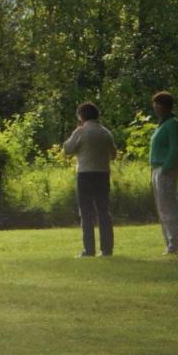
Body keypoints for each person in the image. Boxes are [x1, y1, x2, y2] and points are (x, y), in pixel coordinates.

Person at [62, 101, 117, 257]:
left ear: (81, 116)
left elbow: (67, 149)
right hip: (103, 173)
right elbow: (113, 154)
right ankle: (107, 249)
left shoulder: (80, 131)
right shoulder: (105, 132)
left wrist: (77, 130)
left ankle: (89, 249)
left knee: (86, 213)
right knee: (103, 211)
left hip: (85, 174)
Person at [148, 91, 178, 254]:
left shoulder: (172, 124)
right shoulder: (162, 124)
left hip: (165, 169)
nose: (155, 107)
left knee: (168, 206)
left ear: (166, 106)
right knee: (161, 207)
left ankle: (174, 242)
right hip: (157, 168)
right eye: (155, 104)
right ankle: (169, 241)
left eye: (158, 104)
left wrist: (166, 168)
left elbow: (175, 149)